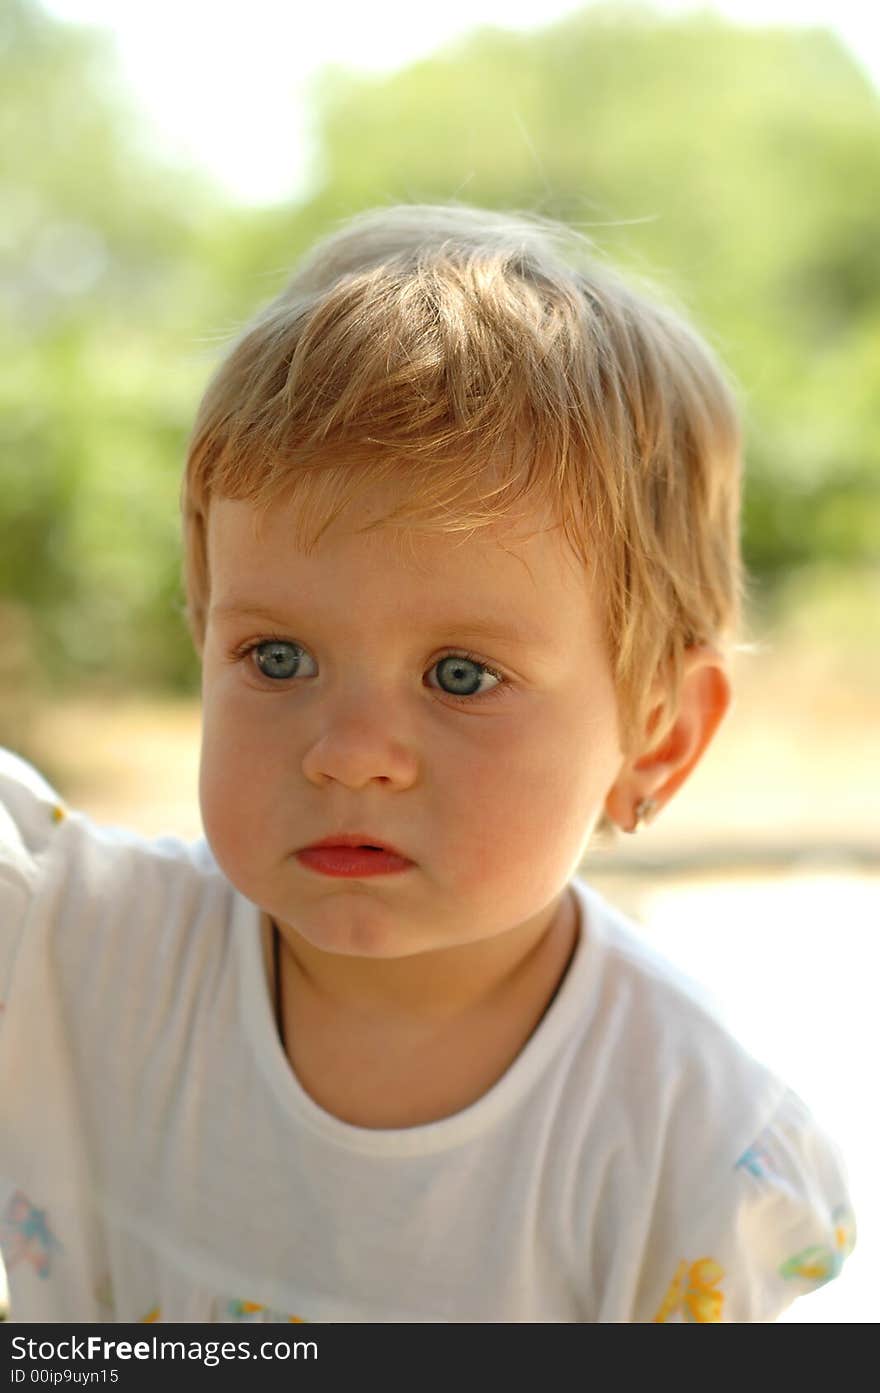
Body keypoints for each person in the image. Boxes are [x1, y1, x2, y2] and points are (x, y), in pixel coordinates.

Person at [0, 203, 856, 1324]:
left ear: (658, 733)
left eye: (460, 675)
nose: (350, 753)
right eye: (277, 655)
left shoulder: (688, 1148)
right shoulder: (70, 948)